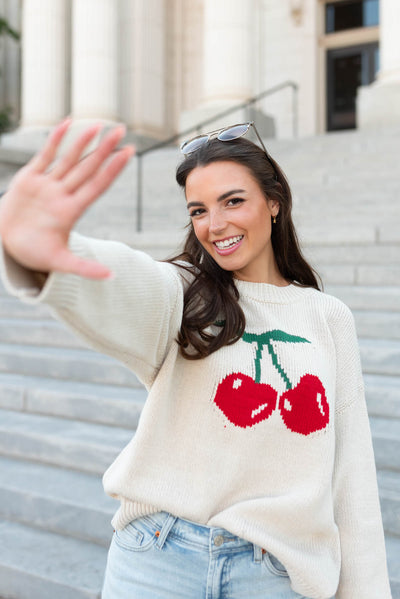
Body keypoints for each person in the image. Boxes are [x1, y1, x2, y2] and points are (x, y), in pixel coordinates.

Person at [0, 119, 392, 599]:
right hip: (156, 559)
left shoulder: (329, 318)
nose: (215, 225)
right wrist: (49, 254)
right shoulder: (185, 292)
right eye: (199, 210)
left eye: (233, 201)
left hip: (271, 575)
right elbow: (129, 284)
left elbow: (351, 480)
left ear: (274, 202)